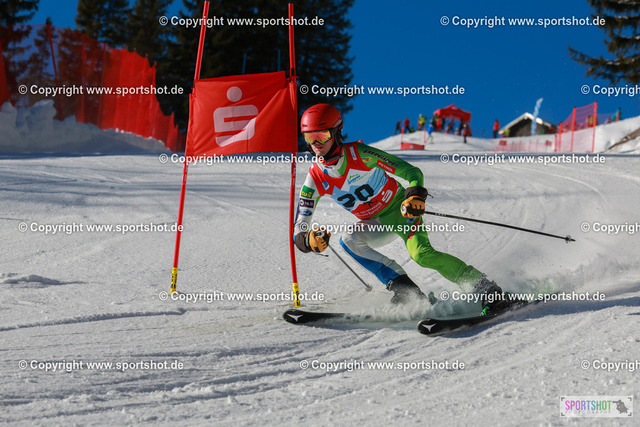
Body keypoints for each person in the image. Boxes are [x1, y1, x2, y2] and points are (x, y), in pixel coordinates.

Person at [294, 104, 517, 311]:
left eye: (322, 135)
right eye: (309, 137)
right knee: (348, 241)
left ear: (337, 132)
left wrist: (415, 196)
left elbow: (411, 172)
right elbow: (299, 227)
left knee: (422, 255)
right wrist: (307, 241)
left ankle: (486, 289)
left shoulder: (360, 154)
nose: (316, 143)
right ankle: (407, 292)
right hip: (374, 223)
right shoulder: (315, 178)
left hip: (401, 211)